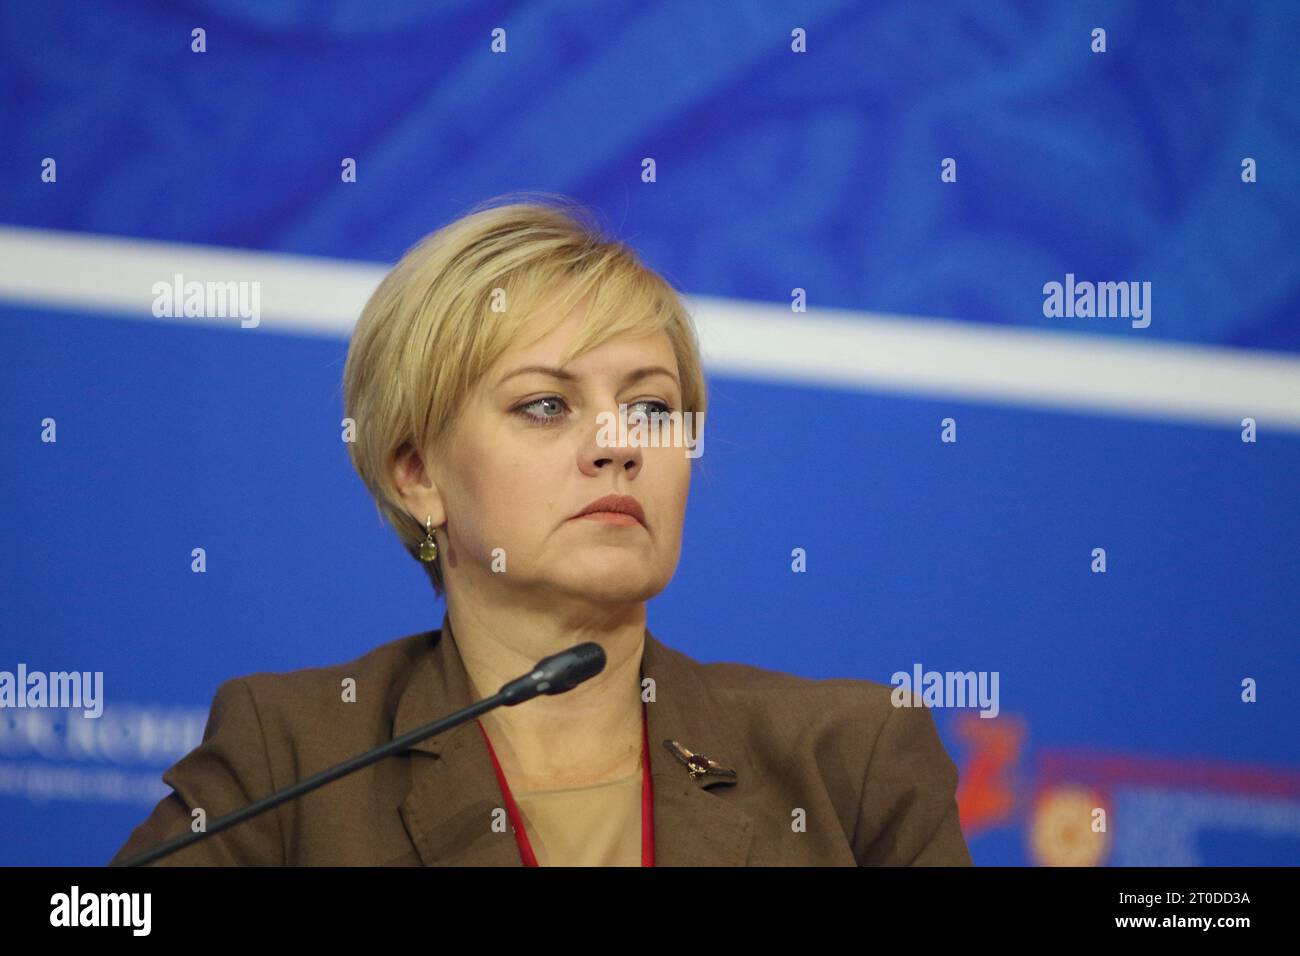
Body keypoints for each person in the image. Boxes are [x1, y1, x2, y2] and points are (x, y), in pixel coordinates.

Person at [109, 193, 973, 866]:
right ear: (418, 476)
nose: (618, 444)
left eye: (651, 407)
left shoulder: (847, 758)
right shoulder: (296, 754)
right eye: (547, 405)